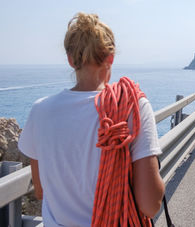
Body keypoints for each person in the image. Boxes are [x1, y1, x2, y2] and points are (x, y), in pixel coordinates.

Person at [18, 12, 165, 226]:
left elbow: (40, 191)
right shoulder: (133, 107)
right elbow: (150, 205)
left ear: (70, 60)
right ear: (111, 57)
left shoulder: (40, 111)